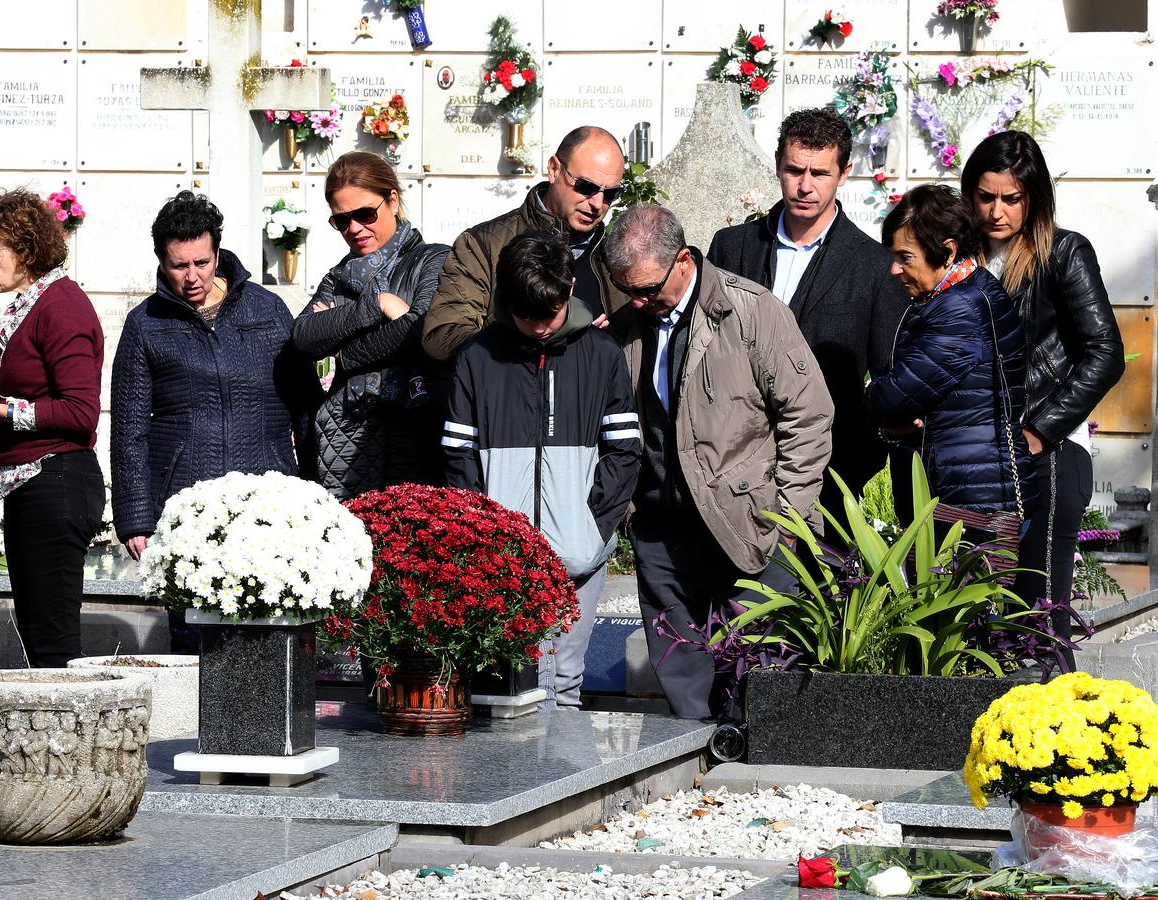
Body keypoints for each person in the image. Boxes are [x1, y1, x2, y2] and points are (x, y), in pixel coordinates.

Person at [608, 205, 833, 721]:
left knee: (757, 661)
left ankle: (751, 758)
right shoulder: (629, 323)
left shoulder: (752, 312)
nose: (638, 301)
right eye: (629, 291)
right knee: (676, 656)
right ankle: (689, 758)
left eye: (647, 289)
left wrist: (789, 516)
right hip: (662, 523)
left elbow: (809, 414)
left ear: (684, 260)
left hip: (750, 521)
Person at [109, 191, 321, 654]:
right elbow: (128, 430)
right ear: (161, 261)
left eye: (201, 263)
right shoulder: (144, 325)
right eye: (178, 265)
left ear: (218, 253)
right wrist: (135, 519)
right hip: (185, 509)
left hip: (269, 502)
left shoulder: (268, 311)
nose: (191, 277)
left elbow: (307, 407)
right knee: (193, 639)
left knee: (269, 631)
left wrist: (317, 493)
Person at [442, 231, 639, 708]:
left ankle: (565, 781)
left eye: (548, 315)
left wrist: (592, 527)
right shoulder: (476, 358)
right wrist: (483, 535)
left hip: (579, 555)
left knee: (565, 684)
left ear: (570, 288)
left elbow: (625, 451)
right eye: (525, 316)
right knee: (503, 690)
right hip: (499, 563)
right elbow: (457, 456)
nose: (538, 328)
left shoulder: (602, 354)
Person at [707, 107, 909, 518]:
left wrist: (855, 466)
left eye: (820, 174)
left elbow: (889, 377)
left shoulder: (875, 266)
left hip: (828, 476)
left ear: (844, 173)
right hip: (729, 467)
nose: (805, 186)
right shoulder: (731, 247)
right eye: (794, 170)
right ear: (778, 166)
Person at [961, 131, 1124, 637]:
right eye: (985, 197)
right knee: (971, 617)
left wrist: (1040, 430)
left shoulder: (1064, 252)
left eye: (1011, 199)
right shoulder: (955, 257)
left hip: (1045, 456)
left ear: (1033, 198)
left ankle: (1055, 716)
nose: (996, 211)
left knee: (1039, 614)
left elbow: (1106, 351)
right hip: (973, 456)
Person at [0, 189, 105, 668]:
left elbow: (78, 412)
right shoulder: (28, 305)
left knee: (52, 642)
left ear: (26, 251)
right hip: (32, 484)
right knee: (38, 632)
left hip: (56, 482)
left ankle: (74, 743)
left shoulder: (62, 306)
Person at [290, 151, 451, 498]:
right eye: (341, 220)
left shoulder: (432, 260)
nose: (355, 229)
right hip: (343, 440)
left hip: (413, 433)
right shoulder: (338, 277)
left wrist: (339, 357)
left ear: (392, 200)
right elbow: (303, 336)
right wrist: (374, 306)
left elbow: (416, 331)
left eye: (364, 214)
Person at [865, 185, 1031, 520]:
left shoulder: (959, 309)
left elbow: (893, 396)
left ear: (948, 251)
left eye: (905, 257)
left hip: (971, 505)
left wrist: (873, 396)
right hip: (972, 491)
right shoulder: (967, 290)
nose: (894, 269)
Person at [422, 125, 632, 363]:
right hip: (513, 395)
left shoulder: (615, 255)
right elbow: (442, 338)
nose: (597, 203)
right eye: (586, 186)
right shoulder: (483, 245)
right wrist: (536, 337)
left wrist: (605, 343)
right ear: (554, 169)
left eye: (611, 194)